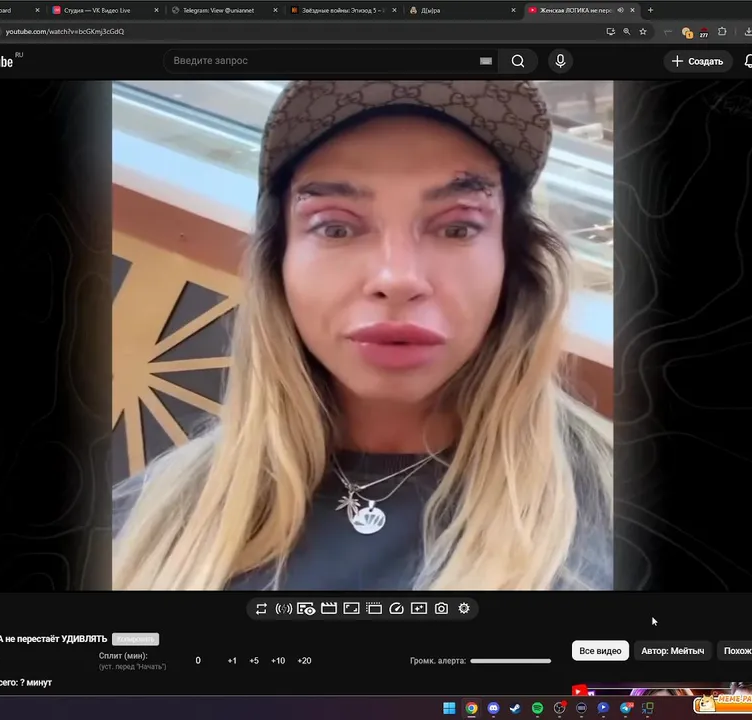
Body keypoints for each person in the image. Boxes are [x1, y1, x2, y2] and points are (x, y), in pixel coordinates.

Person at [112, 80, 614, 591]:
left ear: (515, 259)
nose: (398, 279)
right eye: (336, 228)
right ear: (278, 261)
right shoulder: (147, 523)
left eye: (457, 228)